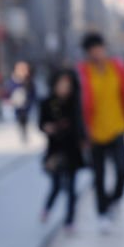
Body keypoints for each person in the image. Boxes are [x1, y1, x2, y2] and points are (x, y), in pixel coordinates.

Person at [77, 32, 124, 234]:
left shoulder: (117, 69)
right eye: (93, 50)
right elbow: (79, 105)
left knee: (122, 170)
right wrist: (81, 134)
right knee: (98, 176)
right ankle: (102, 213)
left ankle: (113, 200)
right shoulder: (83, 74)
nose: (97, 53)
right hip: (94, 134)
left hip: (117, 128)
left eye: (100, 49)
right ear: (88, 53)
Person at [38, 69, 86, 233]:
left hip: (72, 149)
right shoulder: (47, 103)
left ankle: (70, 221)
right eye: (61, 85)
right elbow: (41, 123)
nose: (64, 89)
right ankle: (47, 208)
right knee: (57, 184)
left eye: (67, 85)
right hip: (54, 150)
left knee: (72, 188)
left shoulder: (75, 104)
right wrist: (47, 128)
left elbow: (81, 126)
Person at [5, 61, 37, 142]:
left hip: (27, 107)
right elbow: (7, 93)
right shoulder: (12, 81)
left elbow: (33, 94)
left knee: (24, 120)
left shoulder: (29, 82)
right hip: (16, 107)